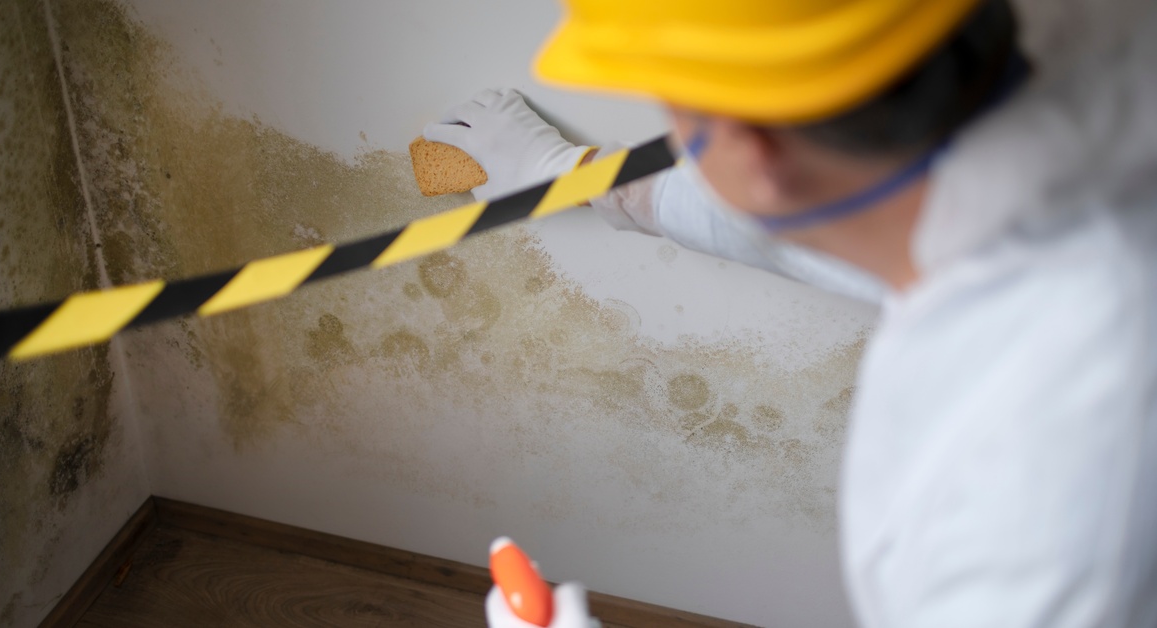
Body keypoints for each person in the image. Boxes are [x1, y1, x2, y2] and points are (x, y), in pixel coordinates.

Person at [424, 0, 1157, 625]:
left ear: (753, 147)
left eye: (673, 109)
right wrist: (582, 178)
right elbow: (807, 212)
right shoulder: (1075, 69)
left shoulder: (1040, 498)